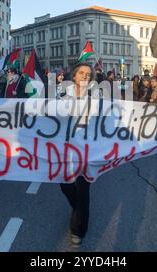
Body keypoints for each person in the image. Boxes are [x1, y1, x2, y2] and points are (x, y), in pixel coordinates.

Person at [60, 63, 95, 247]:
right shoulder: (61, 96)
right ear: (74, 76)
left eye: (88, 74)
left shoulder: (97, 99)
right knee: (65, 185)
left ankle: (78, 229)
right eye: (81, 73)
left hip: (87, 151)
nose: (84, 76)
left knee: (83, 190)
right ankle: (79, 210)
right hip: (64, 150)